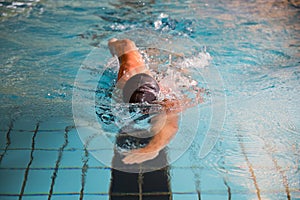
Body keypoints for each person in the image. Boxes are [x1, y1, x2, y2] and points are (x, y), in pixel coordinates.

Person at [108, 38, 202, 165]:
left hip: (155, 66)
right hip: (137, 70)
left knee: (181, 69)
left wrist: (153, 148)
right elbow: (125, 44)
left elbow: (170, 124)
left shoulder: (167, 98)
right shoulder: (127, 70)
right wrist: (112, 44)